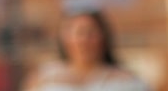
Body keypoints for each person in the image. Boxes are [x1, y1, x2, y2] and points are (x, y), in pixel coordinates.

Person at [22, 9, 150, 91]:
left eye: (91, 33)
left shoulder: (127, 81)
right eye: (77, 33)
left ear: (103, 37)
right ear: (64, 38)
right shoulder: (42, 78)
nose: (83, 40)